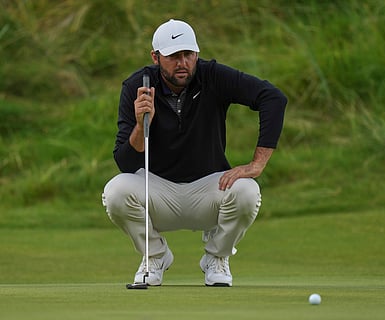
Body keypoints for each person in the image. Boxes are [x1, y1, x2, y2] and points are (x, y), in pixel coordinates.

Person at [102, 19, 287, 287]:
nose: (183, 62)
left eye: (188, 54)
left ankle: (217, 257)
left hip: (209, 188)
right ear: (155, 57)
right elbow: (125, 163)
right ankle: (155, 256)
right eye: (173, 56)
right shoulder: (136, 87)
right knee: (115, 191)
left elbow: (272, 98)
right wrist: (143, 123)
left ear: (197, 54)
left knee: (248, 191)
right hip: (158, 190)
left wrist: (257, 164)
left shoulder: (212, 76)